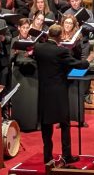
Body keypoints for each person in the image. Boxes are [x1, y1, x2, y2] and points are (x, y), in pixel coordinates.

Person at [33, 24, 90, 164]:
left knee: (46, 125)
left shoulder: (38, 48)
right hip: (58, 92)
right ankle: (67, 154)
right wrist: (88, 61)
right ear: (59, 36)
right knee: (64, 123)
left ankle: (47, 157)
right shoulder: (60, 51)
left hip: (44, 92)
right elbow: (77, 64)